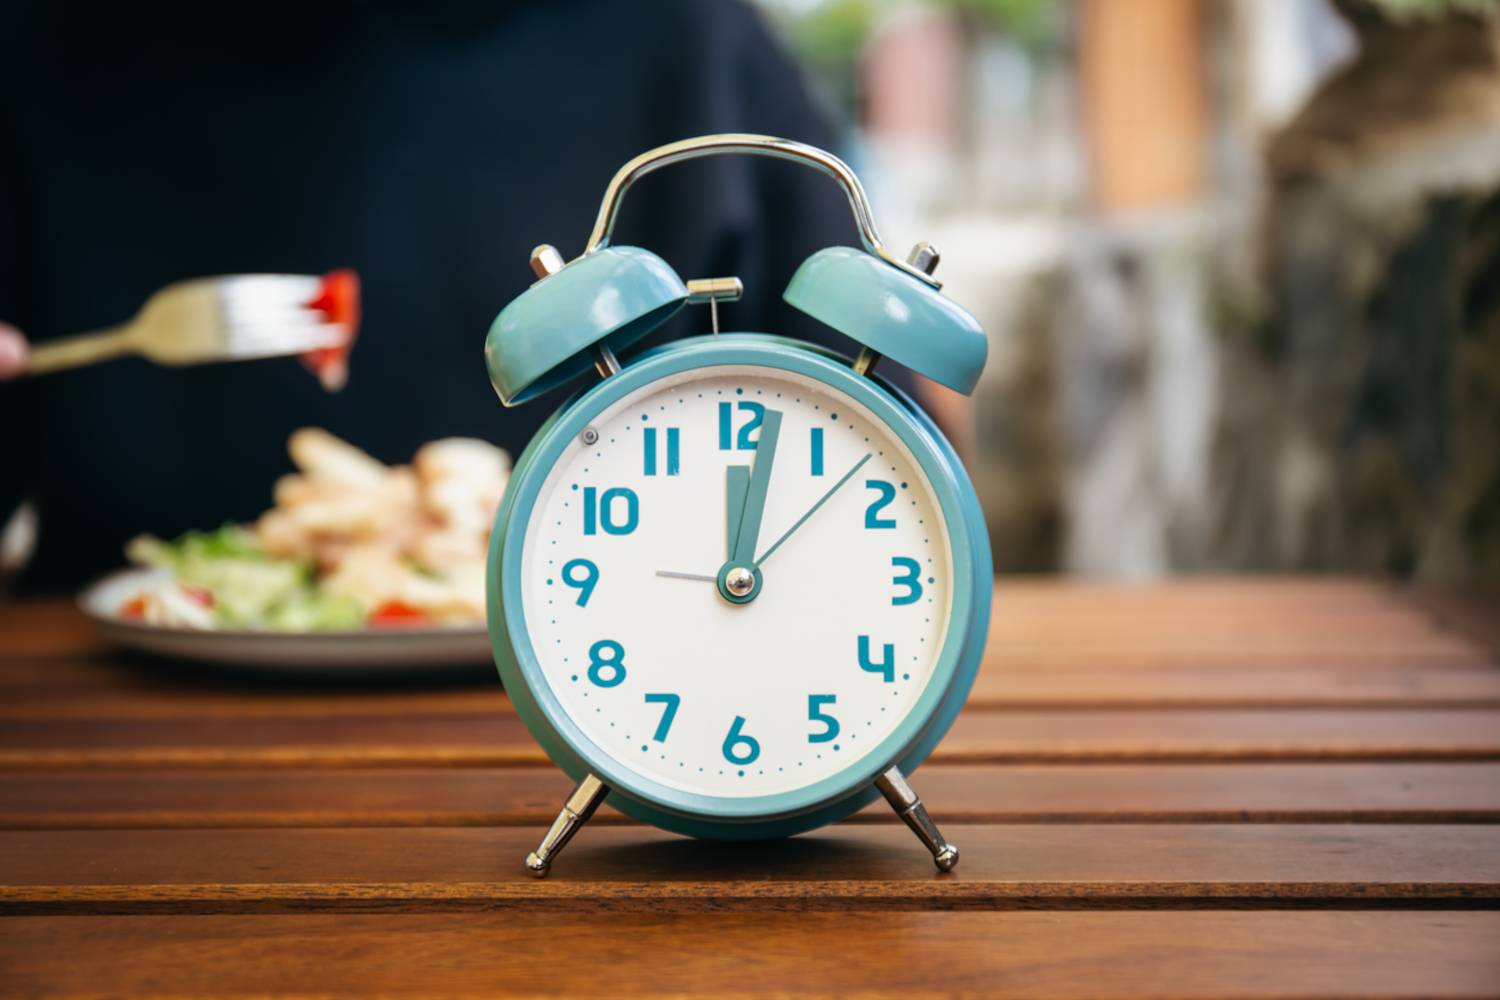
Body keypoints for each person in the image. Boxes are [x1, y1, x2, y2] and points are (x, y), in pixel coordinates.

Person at [0, 1, 876, 592]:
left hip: (626, 712)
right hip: (100, 726)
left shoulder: (689, 38)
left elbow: (876, 461)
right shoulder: (40, 43)